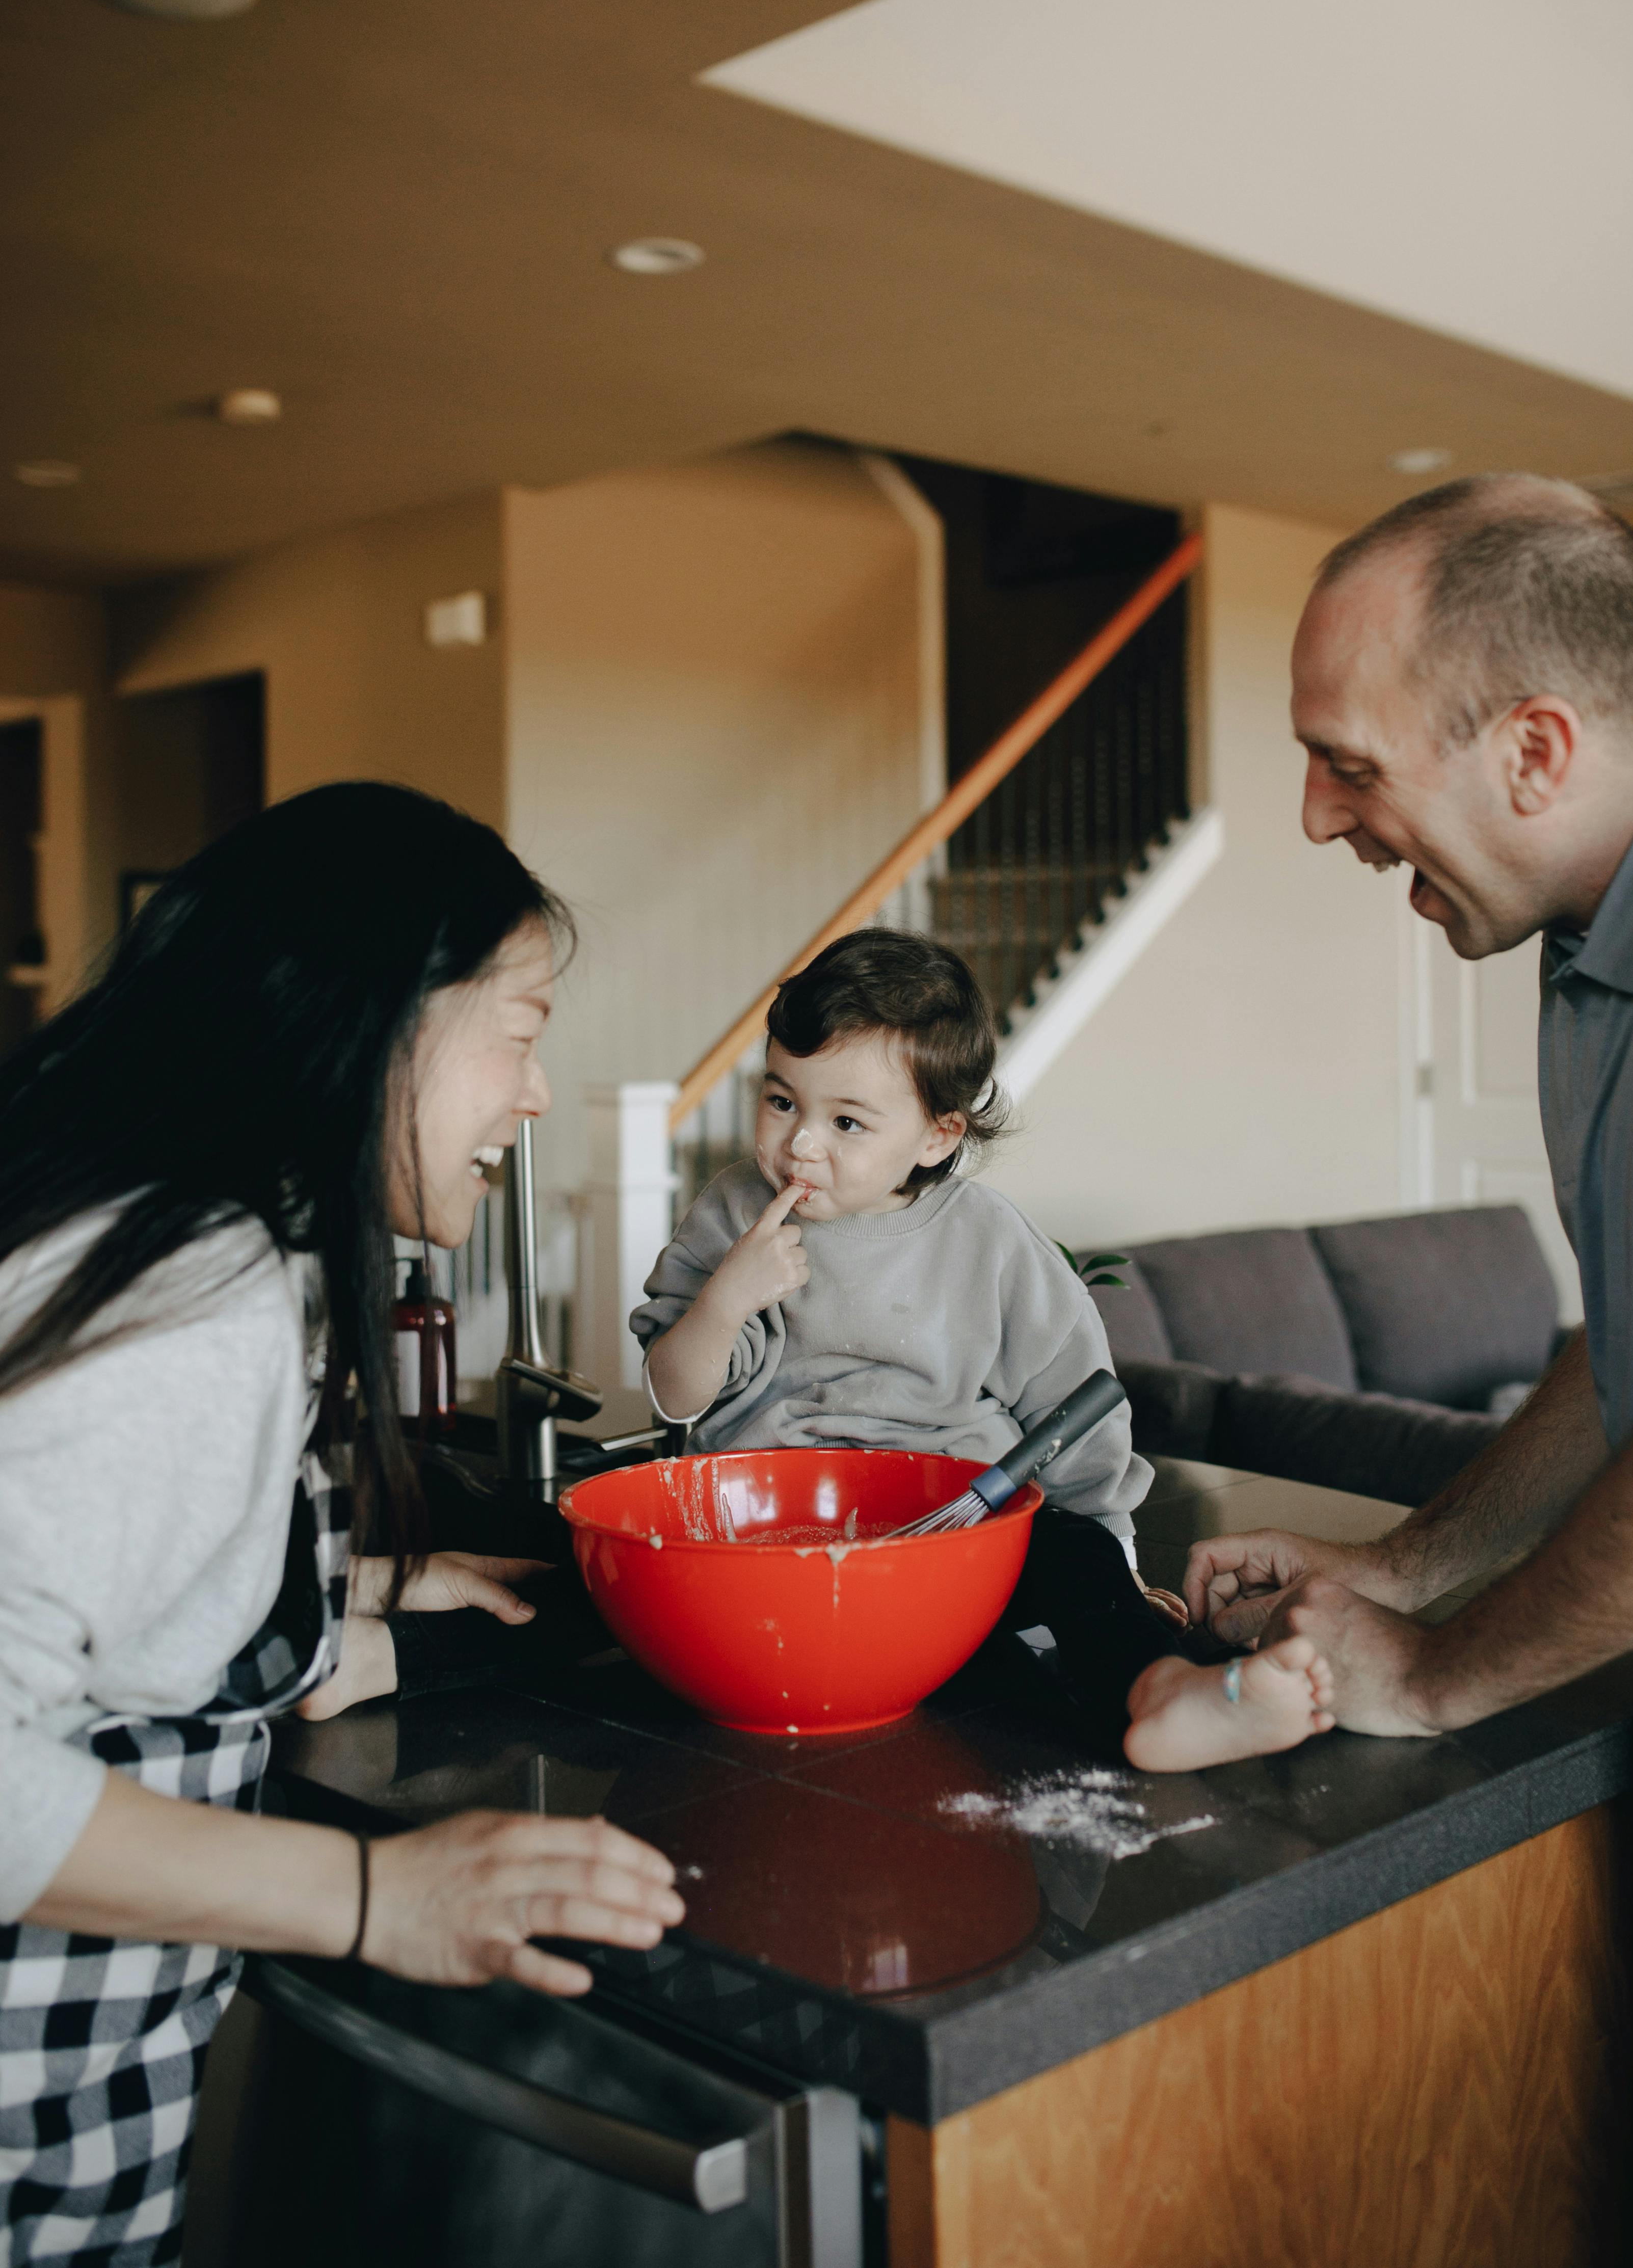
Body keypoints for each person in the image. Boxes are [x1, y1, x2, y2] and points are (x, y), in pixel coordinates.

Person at [0, 782, 683, 2266]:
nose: (536, 1090)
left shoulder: (144, 1219)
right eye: (521, 1024)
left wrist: (375, 1581)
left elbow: (95, 1575)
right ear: (377, 1018)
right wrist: (376, 1891)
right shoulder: (192, 1296)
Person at [636, 927, 1335, 1770]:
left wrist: (1112, 1555)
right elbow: (675, 1395)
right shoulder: (733, 1212)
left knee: (1073, 1559)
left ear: (936, 1136)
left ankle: (1166, 1694)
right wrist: (727, 1297)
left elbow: (1073, 1403)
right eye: (782, 1101)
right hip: (775, 1555)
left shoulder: (989, 1242)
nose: (801, 1145)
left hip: (950, 1562)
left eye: (848, 1121)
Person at [1183, 475, 1633, 1735]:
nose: (1319, 814)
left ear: (1536, 753)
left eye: (1349, 763)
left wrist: (1437, 1675)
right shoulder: (1588, 951)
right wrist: (1407, 1563)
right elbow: (1627, 1350)